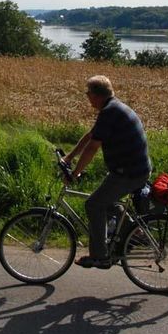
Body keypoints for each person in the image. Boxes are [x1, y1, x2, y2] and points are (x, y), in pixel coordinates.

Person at [63, 75, 151, 269]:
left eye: (88, 93)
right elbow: (91, 135)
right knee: (106, 202)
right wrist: (69, 157)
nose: (87, 97)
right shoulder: (113, 108)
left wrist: (76, 172)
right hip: (133, 169)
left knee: (93, 205)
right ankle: (134, 233)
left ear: (95, 95)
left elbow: (93, 147)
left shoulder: (110, 112)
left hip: (129, 172)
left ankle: (100, 256)